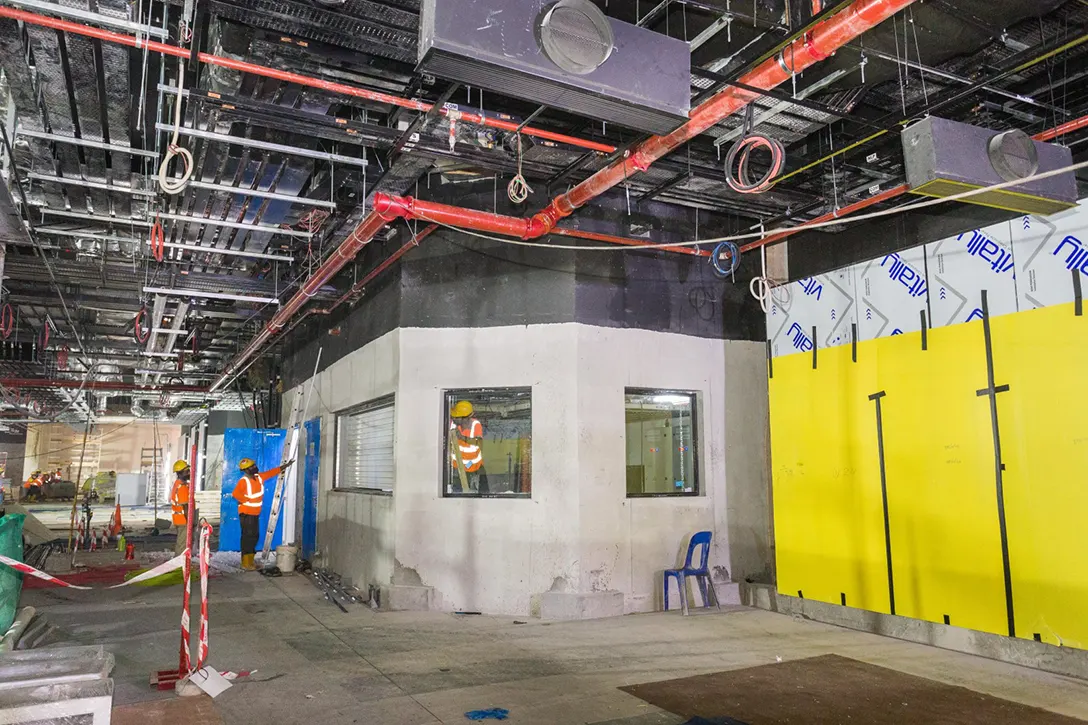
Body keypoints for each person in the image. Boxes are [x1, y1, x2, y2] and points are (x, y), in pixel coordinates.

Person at [233, 457, 292, 571]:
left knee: (254, 536)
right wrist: (246, 500)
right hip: (246, 514)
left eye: (254, 465)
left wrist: (284, 466)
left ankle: (250, 560)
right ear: (246, 470)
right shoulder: (243, 481)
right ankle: (246, 562)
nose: (255, 467)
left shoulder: (259, 477)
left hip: (255, 513)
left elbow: (271, 472)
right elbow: (235, 494)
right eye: (252, 467)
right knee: (248, 538)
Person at [449, 401, 488, 494]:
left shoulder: (475, 425)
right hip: (456, 468)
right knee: (456, 494)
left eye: (456, 417)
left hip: (473, 467)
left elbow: (479, 443)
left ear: (466, 418)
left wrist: (462, 438)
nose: (453, 418)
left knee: (476, 494)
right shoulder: (453, 424)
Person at [169, 460, 197, 555]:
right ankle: (179, 563)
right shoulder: (181, 487)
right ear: (180, 473)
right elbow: (185, 505)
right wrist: (190, 521)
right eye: (186, 471)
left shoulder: (181, 484)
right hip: (183, 519)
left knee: (184, 542)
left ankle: (183, 562)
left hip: (180, 519)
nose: (189, 473)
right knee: (182, 544)